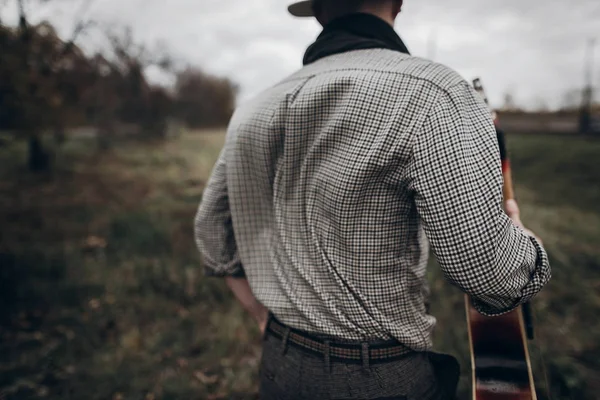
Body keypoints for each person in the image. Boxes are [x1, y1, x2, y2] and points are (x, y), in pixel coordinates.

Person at [194, 0, 551, 398]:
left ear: (317, 12)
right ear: (398, 4)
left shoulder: (251, 111)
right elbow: (491, 276)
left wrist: (264, 317)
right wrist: (521, 243)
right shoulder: (433, 91)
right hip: (378, 376)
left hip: (281, 364)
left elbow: (211, 233)